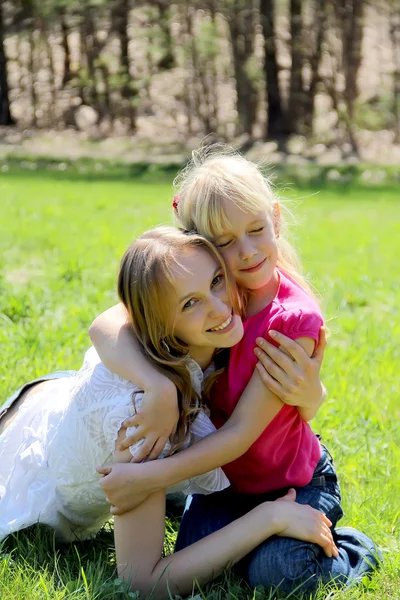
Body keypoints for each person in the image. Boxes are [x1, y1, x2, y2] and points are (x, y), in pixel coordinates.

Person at [92, 146, 380, 595]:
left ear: (276, 219)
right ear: (202, 247)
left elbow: (242, 433)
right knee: (198, 554)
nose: (245, 253)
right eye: (224, 243)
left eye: (256, 230)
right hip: (225, 485)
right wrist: (157, 388)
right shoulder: (215, 290)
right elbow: (110, 322)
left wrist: (149, 478)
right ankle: (255, 534)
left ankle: (352, 551)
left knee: (278, 573)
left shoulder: (291, 322)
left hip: (293, 479)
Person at [0, 226, 337, 598]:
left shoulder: (206, 329)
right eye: (190, 304)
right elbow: (142, 583)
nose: (220, 306)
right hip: (23, 457)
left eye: (217, 280)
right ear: (158, 323)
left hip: (57, 397)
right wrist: (268, 517)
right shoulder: (140, 421)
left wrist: (312, 393)